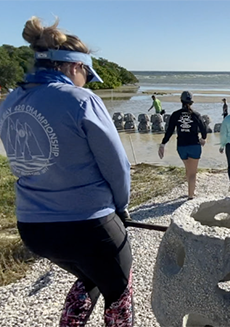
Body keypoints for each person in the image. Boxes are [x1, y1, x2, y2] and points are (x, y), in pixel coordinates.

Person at [0, 17, 133, 326]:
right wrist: (121, 207)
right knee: (119, 294)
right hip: (88, 225)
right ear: (75, 67)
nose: (86, 81)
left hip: (33, 227)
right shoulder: (80, 100)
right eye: (87, 73)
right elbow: (116, 165)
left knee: (90, 278)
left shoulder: (10, 102)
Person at [158, 91, 206, 200]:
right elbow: (204, 128)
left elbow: (169, 131)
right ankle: (190, 195)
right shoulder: (196, 115)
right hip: (194, 145)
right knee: (193, 172)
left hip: (181, 146)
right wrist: (203, 139)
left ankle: (190, 190)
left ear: (181, 101)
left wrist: (162, 144)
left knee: (188, 168)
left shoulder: (175, 114)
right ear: (191, 102)